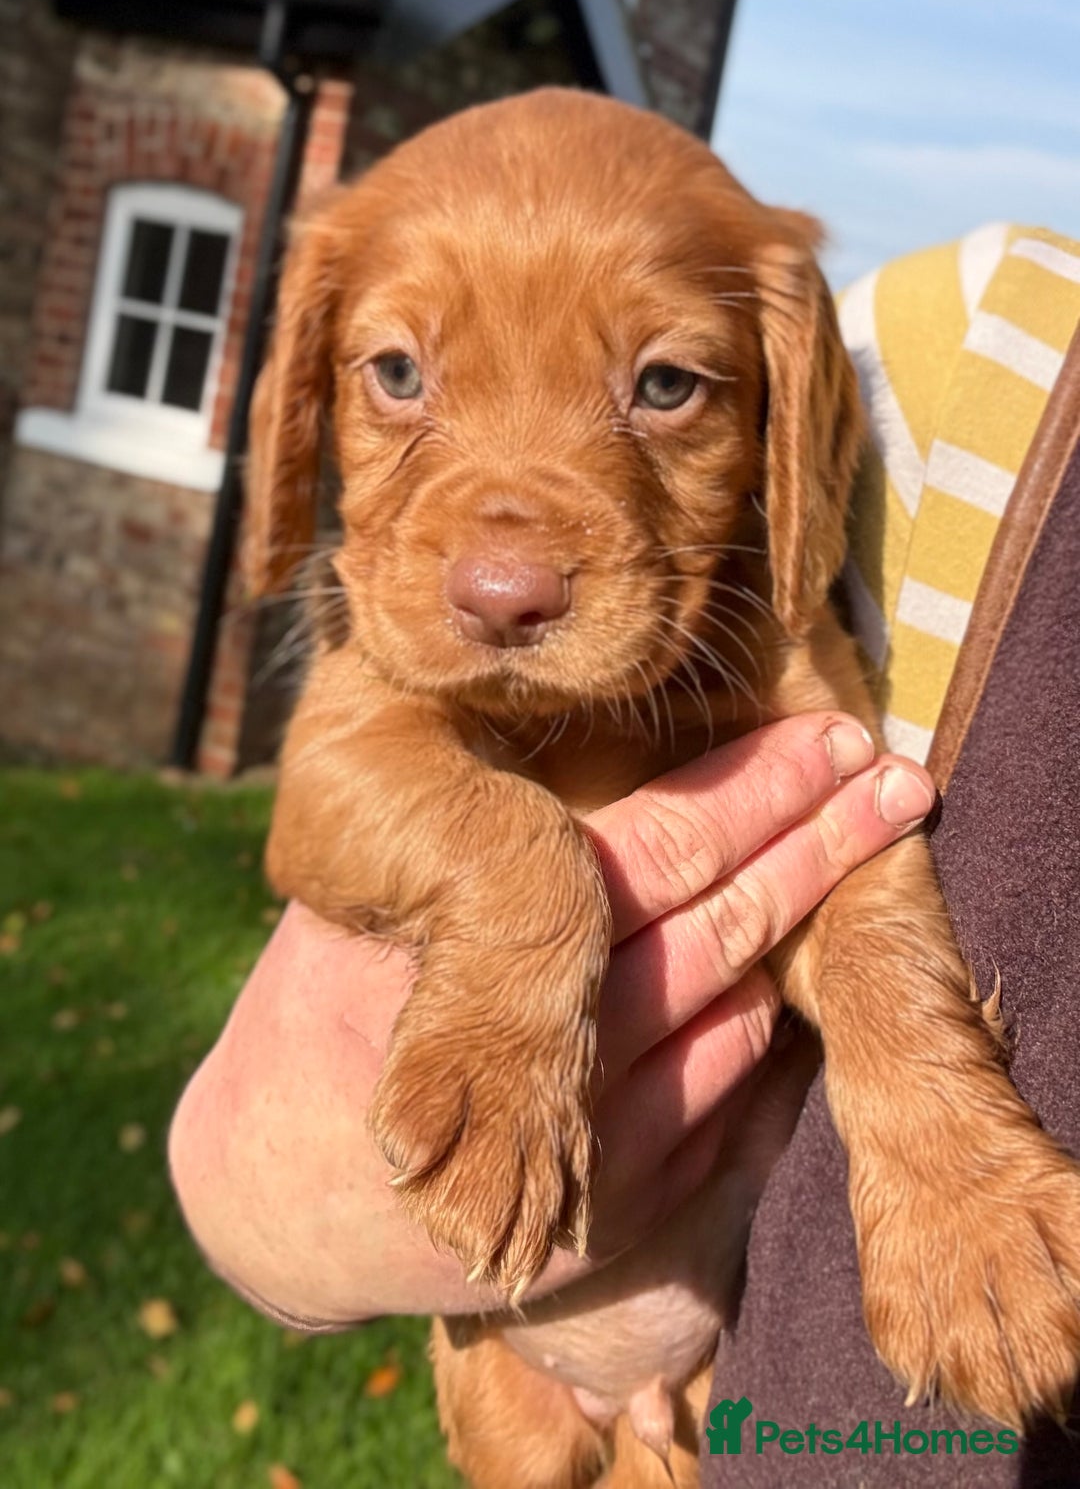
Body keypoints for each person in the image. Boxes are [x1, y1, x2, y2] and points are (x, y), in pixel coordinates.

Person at [169, 224, 1080, 1482]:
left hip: (765, 1364)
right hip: (515, 1365)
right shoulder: (978, 327)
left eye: (661, 384)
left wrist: (941, 1145)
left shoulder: (758, 605)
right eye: (398, 376)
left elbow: (845, 836)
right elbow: (333, 800)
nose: (508, 566)